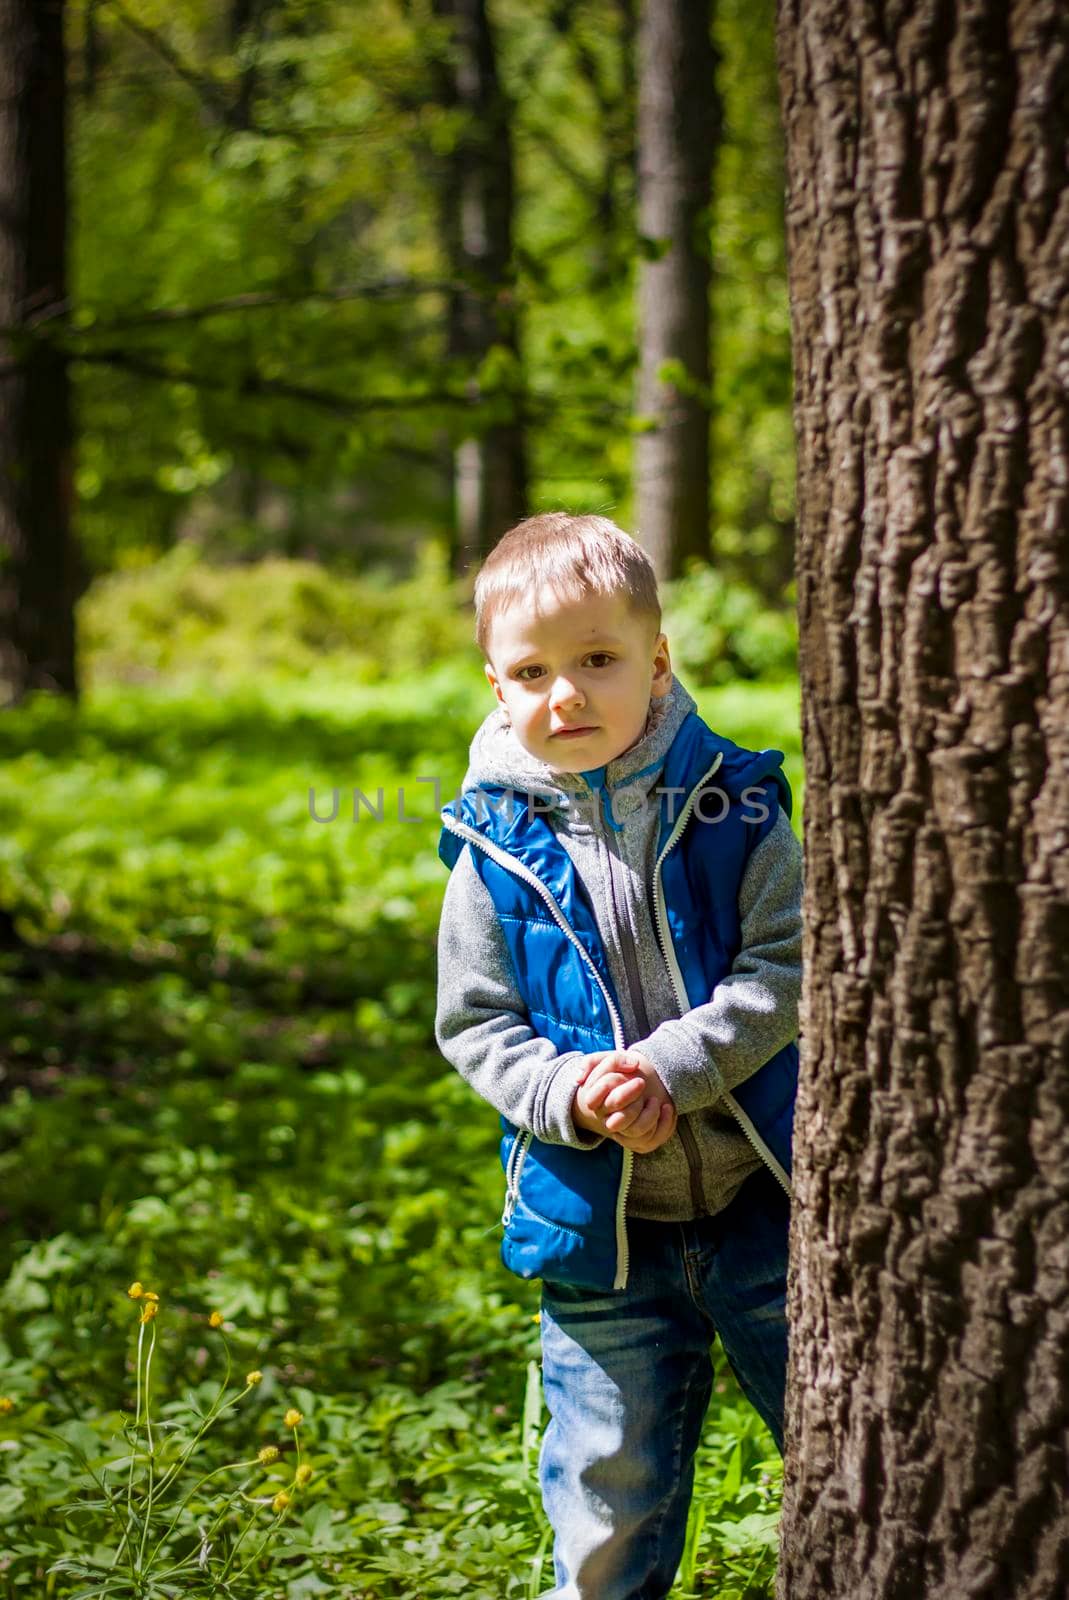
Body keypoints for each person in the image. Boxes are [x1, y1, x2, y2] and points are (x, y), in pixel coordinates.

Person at [434, 512, 802, 1600]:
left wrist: (669, 1069)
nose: (567, 694)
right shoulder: (491, 849)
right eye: (534, 669)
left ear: (658, 659)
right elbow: (477, 1022)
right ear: (495, 685)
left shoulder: (733, 802)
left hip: (765, 1205)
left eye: (599, 659)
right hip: (601, 1230)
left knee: (849, 1444)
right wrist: (572, 1093)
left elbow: (786, 964)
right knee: (605, 1496)